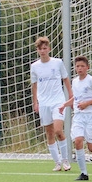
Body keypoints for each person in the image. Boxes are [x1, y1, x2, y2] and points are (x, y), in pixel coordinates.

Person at [30, 37, 73, 172]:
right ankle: (57, 163)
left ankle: (65, 160)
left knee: (58, 131)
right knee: (49, 133)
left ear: (49, 49)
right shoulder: (34, 66)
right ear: (37, 50)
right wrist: (35, 102)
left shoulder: (57, 63)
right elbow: (34, 85)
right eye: (40, 49)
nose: (43, 51)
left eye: (45, 48)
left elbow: (66, 79)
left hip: (58, 101)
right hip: (44, 103)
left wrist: (71, 96)